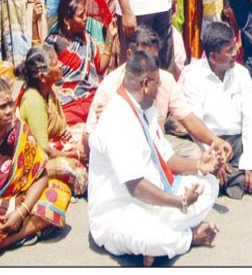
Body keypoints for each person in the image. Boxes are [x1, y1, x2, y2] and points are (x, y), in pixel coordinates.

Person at [88, 51, 220, 265]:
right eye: (158, 84)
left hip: (156, 199)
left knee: (209, 185)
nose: (160, 90)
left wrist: (199, 165)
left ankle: (163, 240)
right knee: (152, 237)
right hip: (120, 213)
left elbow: (165, 157)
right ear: (146, 84)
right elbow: (136, 187)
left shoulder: (145, 109)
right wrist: (180, 202)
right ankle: (188, 237)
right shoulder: (116, 120)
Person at [0, 77, 71, 251]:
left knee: (59, 193)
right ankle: (34, 228)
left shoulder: (19, 131)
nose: (10, 111)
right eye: (3, 106)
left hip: (19, 202)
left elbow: (42, 176)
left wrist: (21, 212)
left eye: (11, 104)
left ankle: (13, 237)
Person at [84, 26, 233, 161]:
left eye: (154, 59)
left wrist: (215, 141)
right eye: (144, 58)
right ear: (129, 55)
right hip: (125, 152)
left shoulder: (165, 80)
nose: (150, 64)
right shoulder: (111, 84)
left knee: (195, 154)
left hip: (158, 146)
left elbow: (187, 118)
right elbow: (88, 137)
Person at [180, 22, 252, 199]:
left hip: (236, 143)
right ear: (212, 56)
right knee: (192, 160)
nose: (235, 53)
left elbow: (251, 117)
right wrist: (214, 157)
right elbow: (195, 126)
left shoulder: (241, 73)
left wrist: (250, 162)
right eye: (228, 50)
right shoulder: (193, 76)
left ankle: (225, 181)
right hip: (207, 142)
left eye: (234, 45)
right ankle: (248, 183)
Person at [17, 44, 88, 196]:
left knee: (88, 136)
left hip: (53, 145)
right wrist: (73, 154)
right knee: (77, 169)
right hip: (34, 160)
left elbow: (63, 131)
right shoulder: (33, 101)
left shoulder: (49, 91)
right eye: (55, 64)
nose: (61, 65)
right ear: (43, 77)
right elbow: (43, 150)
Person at [45, 0, 116, 126]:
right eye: (80, 16)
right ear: (67, 20)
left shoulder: (87, 38)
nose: (85, 18)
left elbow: (100, 68)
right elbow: (42, 72)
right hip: (65, 101)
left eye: (85, 14)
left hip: (89, 97)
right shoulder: (54, 42)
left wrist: (110, 37)